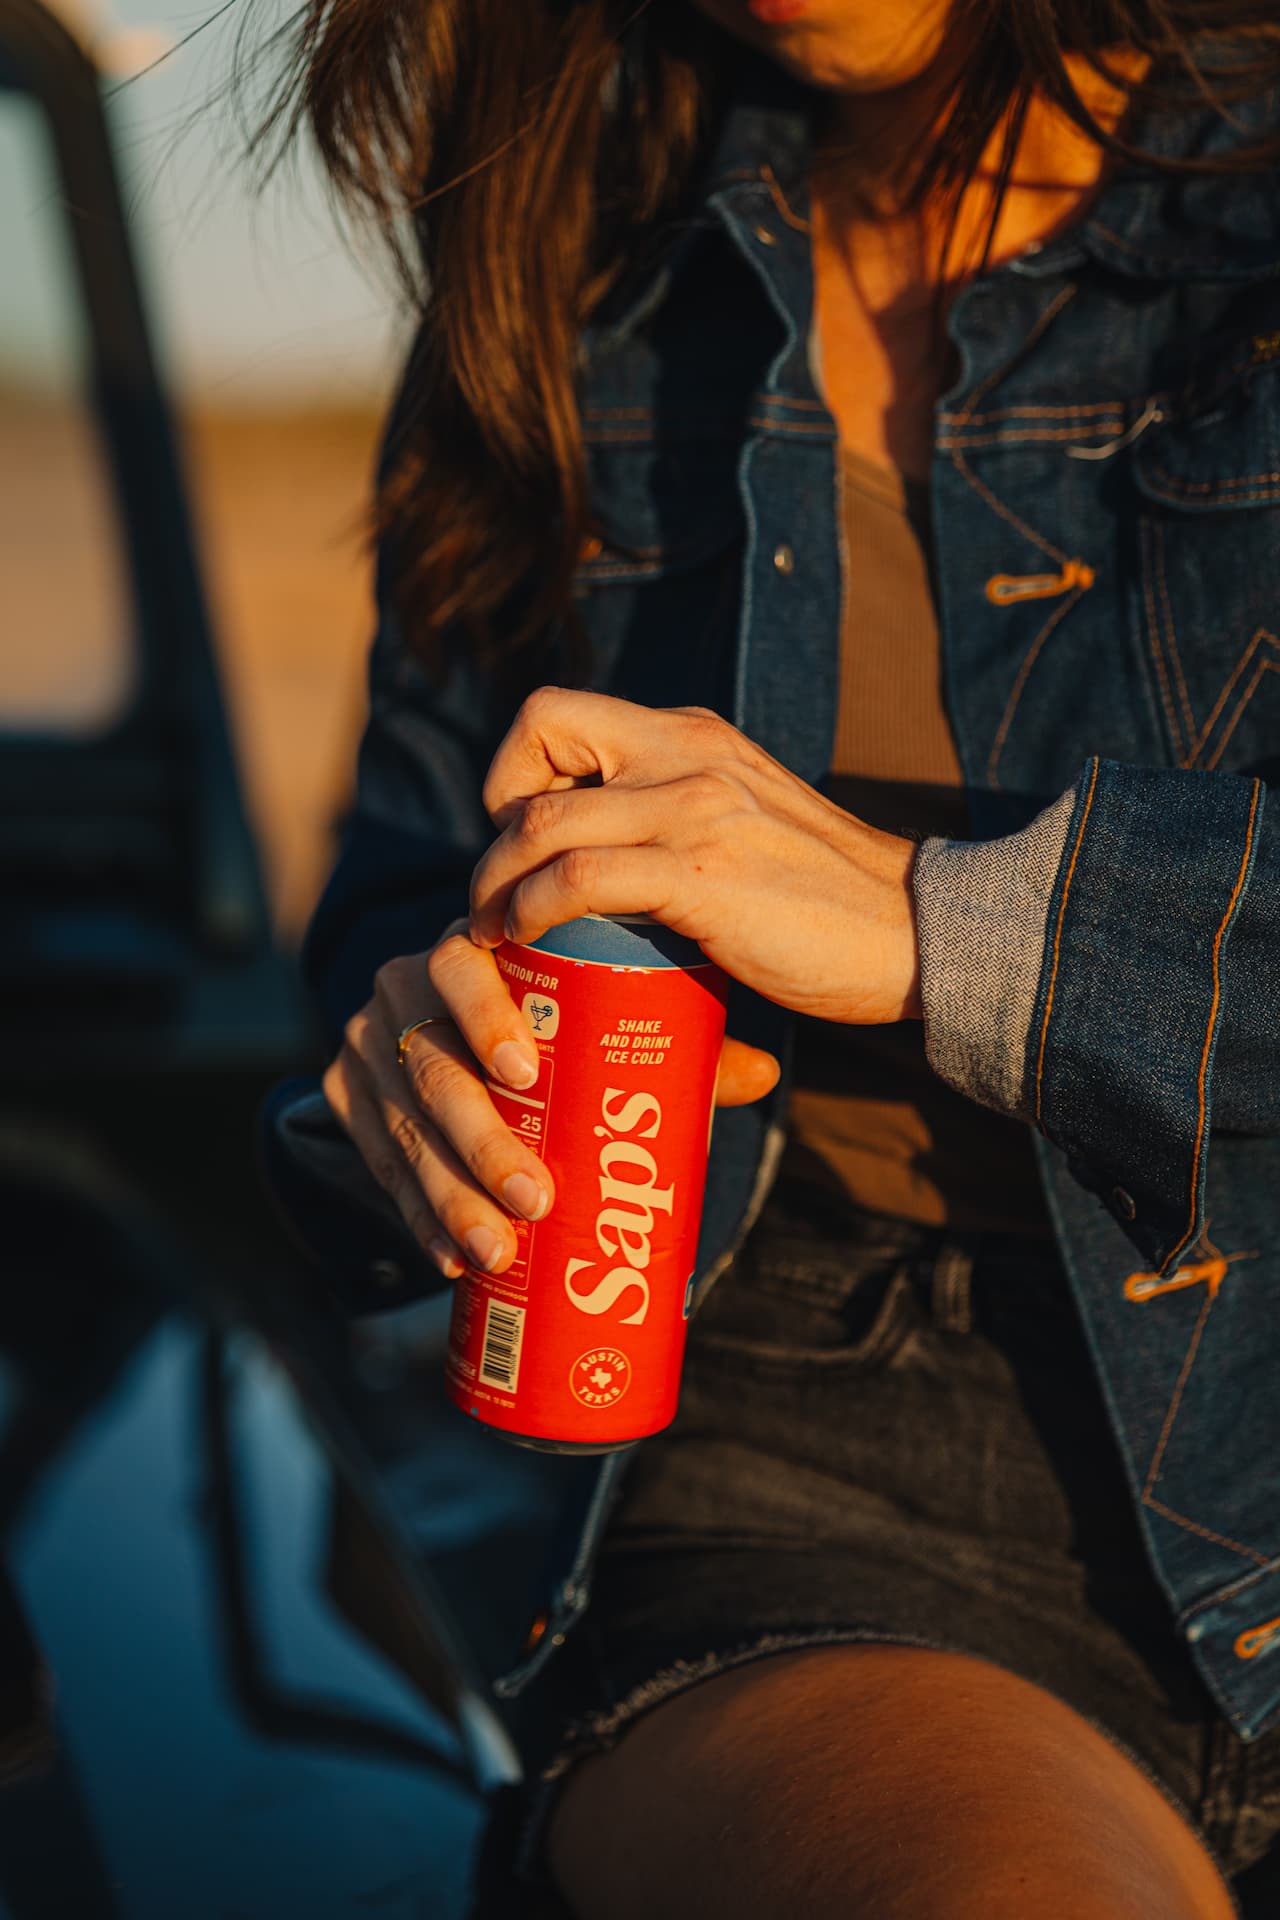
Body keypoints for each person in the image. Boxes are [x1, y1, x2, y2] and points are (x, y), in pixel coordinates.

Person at [260, 1, 1280, 1913]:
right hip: (834, 1459)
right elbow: (410, 880)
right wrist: (405, 1066)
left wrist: (936, 920)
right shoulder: (576, 278)